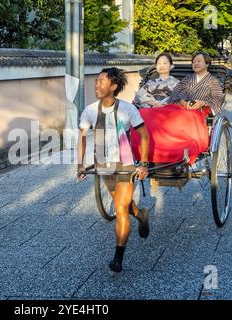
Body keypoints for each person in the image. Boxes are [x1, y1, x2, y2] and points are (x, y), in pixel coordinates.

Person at [77, 67, 150, 273]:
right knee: (123, 204)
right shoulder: (90, 110)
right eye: (96, 81)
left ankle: (118, 258)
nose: (96, 85)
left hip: (126, 165)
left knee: (119, 208)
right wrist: (80, 164)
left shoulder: (128, 109)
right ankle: (141, 215)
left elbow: (144, 136)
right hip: (103, 165)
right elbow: (82, 138)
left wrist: (143, 163)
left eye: (101, 81)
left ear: (114, 86)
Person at [131, 51, 225, 165]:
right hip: (182, 107)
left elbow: (218, 98)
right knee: (145, 114)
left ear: (207, 64)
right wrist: (183, 101)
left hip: (199, 111)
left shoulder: (213, 81)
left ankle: (182, 148)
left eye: (199, 61)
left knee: (178, 118)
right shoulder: (186, 79)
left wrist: (202, 102)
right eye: (194, 61)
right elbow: (177, 94)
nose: (195, 63)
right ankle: (150, 148)